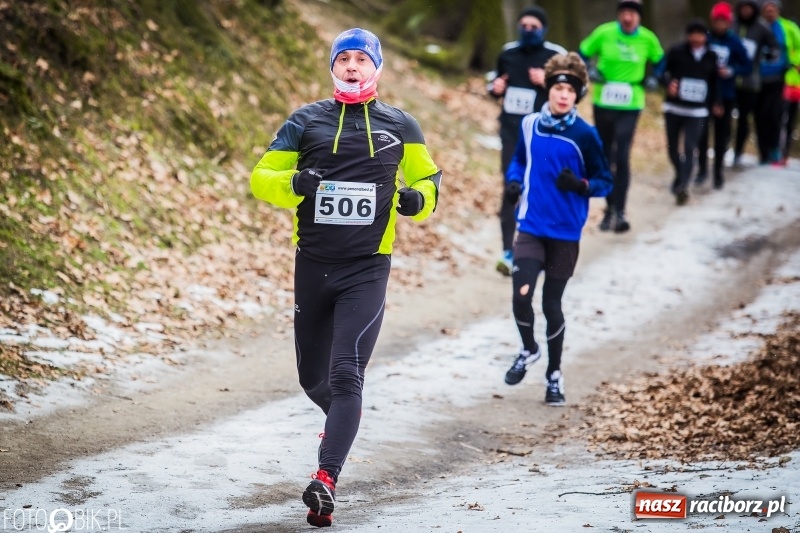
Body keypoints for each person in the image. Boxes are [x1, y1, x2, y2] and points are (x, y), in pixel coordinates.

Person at [250, 28, 442, 528]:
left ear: (376, 68)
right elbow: (260, 178)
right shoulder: (305, 121)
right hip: (313, 265)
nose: (352, 67)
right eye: (344, 59)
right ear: (332, 67)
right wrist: (293, 183)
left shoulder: (400, 124)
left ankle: (326, 479)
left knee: (344, 372)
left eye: (361, 59)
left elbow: (429, 178)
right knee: (312, 378)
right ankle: (341, 424)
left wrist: (420, 199)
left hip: (366, 268)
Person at [502, 52, 613, 406]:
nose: (563, 95)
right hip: (532, 224)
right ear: (548, 89)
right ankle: (529, 348)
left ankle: (554, 374)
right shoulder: (529, 124)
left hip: (565, 232)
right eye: (558, 87)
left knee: (552, 304)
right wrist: (514, 181)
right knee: (520, 294)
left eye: (570, 90)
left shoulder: (586, 134)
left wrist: (581, 186)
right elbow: (519, 159)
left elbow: (605, 181)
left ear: (578, 95)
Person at [488, 6, 566, 276]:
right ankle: (508, 252)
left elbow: (576, 91)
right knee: (511, 189)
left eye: (534, 26)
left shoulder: (556, 55)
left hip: (545, 135)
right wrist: (495, 88)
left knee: (542, 189)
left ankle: (541, 249)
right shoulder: (508, 53)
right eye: (524, 25)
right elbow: (494, 83)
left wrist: (548, 81)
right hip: (511, 133)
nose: (528, 30)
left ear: (544, 29)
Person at [579, 0, 664, 233]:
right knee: (605, 155)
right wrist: (590, 70)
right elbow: (582, 53)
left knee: (622, 153)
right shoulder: (604, 32)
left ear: (639, 18)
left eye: (633, 14)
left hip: (631, 101)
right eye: (624, 13)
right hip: (604, 100)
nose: (628, 18)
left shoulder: (648, 38)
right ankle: (609, 210)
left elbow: (661, 61)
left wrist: (655, 77)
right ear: (619, 15)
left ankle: (621, 210)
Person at [658, 20, 722, 205]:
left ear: (705, 36)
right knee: (672, 149)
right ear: (687, 36)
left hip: (698, 111)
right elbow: (661, 72)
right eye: (692, 34)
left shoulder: (711, 56)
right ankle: (680, 173)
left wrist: (716, 102)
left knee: (689, 147)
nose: (695, 38)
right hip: (674, 108)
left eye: (699, 34)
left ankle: (683, 186)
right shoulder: (676, 51)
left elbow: (715, 81)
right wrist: (668, 84)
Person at [696, 2, 752, 188]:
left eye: (723, 21)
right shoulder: (705, 39)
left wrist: (732, 70)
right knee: (702, 133)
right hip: (704, 95)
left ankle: (718, 172)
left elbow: (747, 66)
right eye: (717, 21)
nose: (720, 24)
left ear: (728, 22)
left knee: (721, 135)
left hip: (726, 95)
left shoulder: (734, 42)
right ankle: (702, 170)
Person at [731, 0, 778, 167]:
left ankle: (739, 152)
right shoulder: (732, 24)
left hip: (751, 82)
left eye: (748, 9)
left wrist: (767, 58)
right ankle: (724, 149)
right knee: (725, 118)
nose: (745, 12)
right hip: (729, 80)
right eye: (743, 8)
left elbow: (775, 48)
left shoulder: (761, 28)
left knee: (746, 120)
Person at [756, 0, 792, 164]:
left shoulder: (788, 27)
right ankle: (763, 152)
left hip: (779, 78)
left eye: (773, 9)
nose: (770, 12)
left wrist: (793, 63)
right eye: (767, 9)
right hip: (758, 79)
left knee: (775, 114)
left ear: (778, 10)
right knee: (760, 115)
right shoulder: (757, 27)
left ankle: (775, 148)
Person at [778, 8, 800, 165]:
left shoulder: (791, 28)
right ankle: (779, 153)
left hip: (795, 86)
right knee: (781, 120)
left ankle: (784, 154)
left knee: (788, 122)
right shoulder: (786, 27)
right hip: (783, 84)